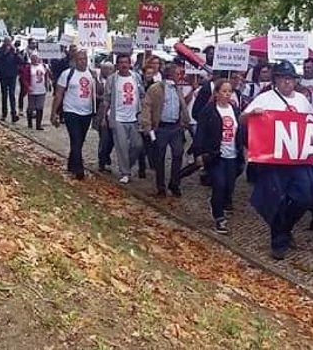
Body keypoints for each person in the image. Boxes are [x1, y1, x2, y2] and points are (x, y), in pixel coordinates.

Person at [242, 61, 313, 260]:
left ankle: (286, 227)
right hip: (273, 160)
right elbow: (243, 119)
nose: (287, 82)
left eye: (290, 78)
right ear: (276, 80)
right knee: (275, 199)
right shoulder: (265, 98)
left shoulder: (302, 100)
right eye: (283, 78)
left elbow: (310, 126)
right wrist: (251, 115)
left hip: (297, 160)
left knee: (305, 197)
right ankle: (278, 241)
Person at [193, 78, 244, 234]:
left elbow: (240, 131)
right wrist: (199, 153)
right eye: (224, 91)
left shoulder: (235, 110)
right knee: (219, 185)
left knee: (229, 186)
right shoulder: (208, 111)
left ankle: (218, 202)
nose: (227, 94)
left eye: (230, 91)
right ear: (216, 93)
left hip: (232, 155)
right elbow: (200, 133)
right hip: (216, 155)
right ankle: (219, 217)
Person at [139, 62, 191, 197]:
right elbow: (147, 107)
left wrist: (185, 120)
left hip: (176, 127)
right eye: (178, 73)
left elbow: (182, 105)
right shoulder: (156, 89)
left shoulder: (177, 89)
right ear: (170, 74)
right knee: (159, 157)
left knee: (178, 154)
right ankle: (160, 186)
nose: (180, 76)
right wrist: (148, 126)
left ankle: (174, 183)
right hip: (161, 127)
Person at [51, 49, 100, 180]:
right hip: (70, 111)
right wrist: (54, 112)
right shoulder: (67, 74)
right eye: (79, 59)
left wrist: (97, 79)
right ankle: (79, 169)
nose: (82, 61)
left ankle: (71, 163)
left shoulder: (91, 74)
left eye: (84, 59)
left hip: (87, 112)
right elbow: (59, 94)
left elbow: (99, 92)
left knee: (79, 140)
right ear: (74, 61)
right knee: (76, 138)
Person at [100, 53, 145, 184]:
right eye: (121, 63)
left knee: (138, 145)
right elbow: (106, 99)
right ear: (117, 65)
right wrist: (104, 117)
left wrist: (144, 114)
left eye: (126, 62)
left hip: (134, 117)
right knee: (122, 146)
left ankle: (127, 165)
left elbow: (142, 95)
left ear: (130, 63)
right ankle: (125, 172)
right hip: (118, 117)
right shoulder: (112, 79)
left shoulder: (136, 77)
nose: (124, 65)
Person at [0, 36, 23, 122]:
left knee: (12, 95)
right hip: (3, 75)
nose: (8, 43)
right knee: (4, 95)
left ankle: (14, 114)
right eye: (7, 42)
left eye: (10, 42)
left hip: (12, 76)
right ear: (4, 42)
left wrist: (16, 53)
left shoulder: (14, 51)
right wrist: (5, 53)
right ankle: (4, 113)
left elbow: (20, 61)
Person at [20, 52, 51, 130]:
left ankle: (38, 124)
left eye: (36, 58)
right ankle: (30, 123)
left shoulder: (43, 66)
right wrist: (28, 86)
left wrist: (48, 84)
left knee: (39, 107)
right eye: (33, 58)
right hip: (32, 89)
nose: (35, 60)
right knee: (31, 107)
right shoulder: (28, 67)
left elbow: (48, 76)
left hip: (41, 89)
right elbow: (24, 78)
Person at [95, 61, 116, 172]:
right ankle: (101, 161)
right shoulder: (97, 81)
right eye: (105, 68)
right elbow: (93, 95)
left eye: (109, 69)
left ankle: (106, 155)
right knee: (104, 139)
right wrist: (103, 97)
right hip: (102, 114)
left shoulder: (115, 81)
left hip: (115, 114)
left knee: (112, 140)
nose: (107, 71)